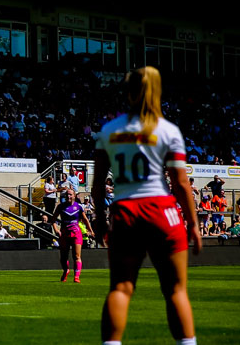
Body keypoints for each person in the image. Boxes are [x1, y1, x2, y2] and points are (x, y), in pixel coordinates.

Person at [92, 67, 200, 345]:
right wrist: (194, 224)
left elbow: (97, 184)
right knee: (176, 290)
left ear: (128, 91)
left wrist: (101, 219)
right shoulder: (168, 131)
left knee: (120, 288)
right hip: (161, 210)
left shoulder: (108, 131)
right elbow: (180, 182)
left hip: (125, 211)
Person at [53, 189, 94, 283]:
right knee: (64, 256)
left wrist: (90, 230)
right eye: (67, 195)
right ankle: (66, 270)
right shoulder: (60, 206)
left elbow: (85, 219)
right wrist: (56, 230)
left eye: (70, 195)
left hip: (76, 233)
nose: (68, 196)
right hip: (64, 234)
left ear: (74, 196)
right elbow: (53, 219)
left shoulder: (78, 207)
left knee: (76, 255)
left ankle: (76, 276)